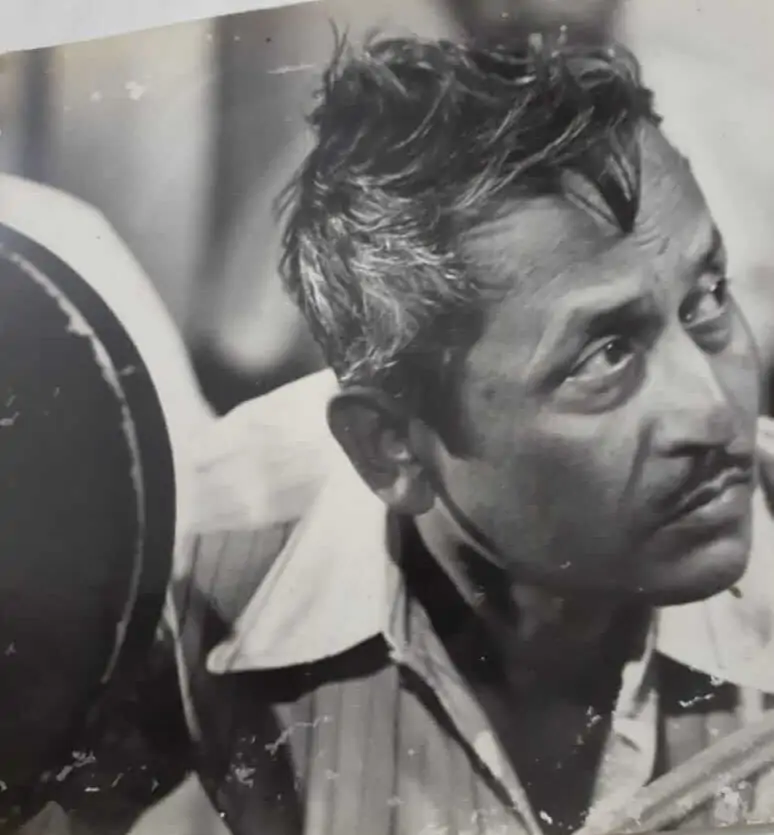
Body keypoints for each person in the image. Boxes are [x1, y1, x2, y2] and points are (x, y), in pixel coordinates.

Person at [172, 31, 774, 835]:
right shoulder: (195, 571)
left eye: (707, 299)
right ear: (389, 446)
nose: (714, 411)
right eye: (604, 354)